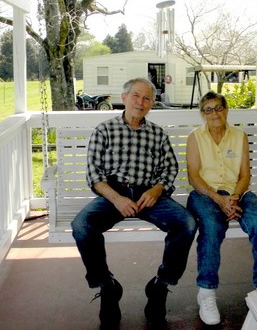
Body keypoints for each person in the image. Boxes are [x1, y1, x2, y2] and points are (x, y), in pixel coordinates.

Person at [71, 77, 197, 329]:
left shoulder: (157, 134)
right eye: (136, 96)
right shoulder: (104, 130)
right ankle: (107, 287)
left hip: (149, 194)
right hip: (113, 193)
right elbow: (94, 175)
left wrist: (157, 189)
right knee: (82, 226)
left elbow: (170, 168)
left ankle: (160, 286)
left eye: (147, 98)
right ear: (125, 97)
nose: (141, 102)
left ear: (152, 103)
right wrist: (117, 198)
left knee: (187, 223)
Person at [186, 91, 257, 325]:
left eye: (218, 108)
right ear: (202, 114)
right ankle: (206, 291)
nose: (214, 113)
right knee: (213, 227)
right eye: (208, 109)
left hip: (238, 193)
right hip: (205, 194)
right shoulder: (195, 137)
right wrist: (219, 199)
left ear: (226, 110)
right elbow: (194, 177)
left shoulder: (240, 136)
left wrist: (234, 198)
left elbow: (245, 174)